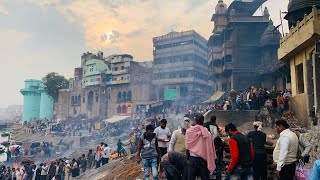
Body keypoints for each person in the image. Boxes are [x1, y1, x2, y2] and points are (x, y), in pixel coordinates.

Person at [186, 114, 216, 180]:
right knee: (204, 178)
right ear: (203, 121)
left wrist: (188, 157)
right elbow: (210, 148)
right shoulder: (207, 133)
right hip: (203, 159)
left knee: (191, 178)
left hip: (193, 159)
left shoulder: (189, 132)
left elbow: (187, 147)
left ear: (195, 121)